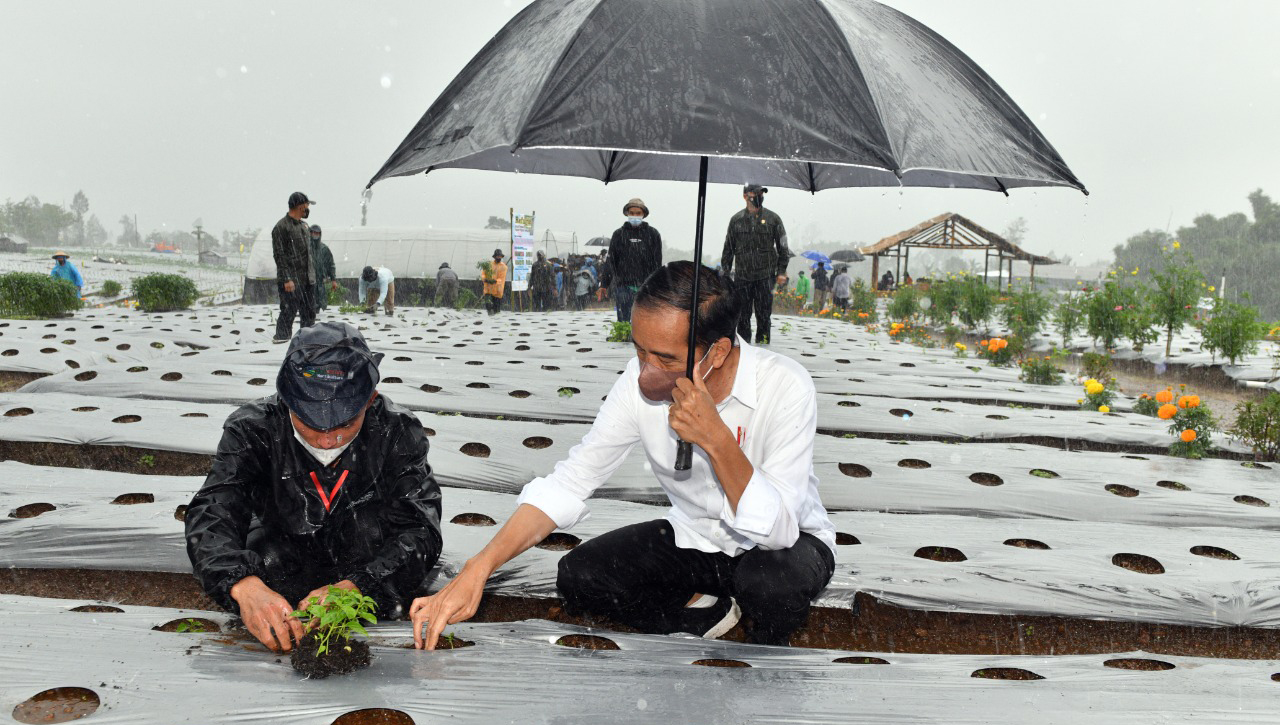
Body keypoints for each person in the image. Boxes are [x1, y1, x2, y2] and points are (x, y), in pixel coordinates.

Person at [409, 261, 836, 650]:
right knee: (582, 576)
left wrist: (717, 439)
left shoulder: (784, 386)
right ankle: (701, 618)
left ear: (718, 351)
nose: (647, 370)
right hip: (696, 536)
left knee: (769, 585)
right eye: (640, 350)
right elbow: (572, 480)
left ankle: (763, 656)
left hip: (787, 545)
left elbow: (779, 530)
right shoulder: (636, 384)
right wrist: (479, 567)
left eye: (665, 358)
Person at [185, 322, 442, 652]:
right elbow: (214, 510)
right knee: (267, 556)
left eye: (345, 423)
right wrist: (243, 584)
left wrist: (361, 585)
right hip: (286, 556)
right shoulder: (254, 430)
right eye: (309, 422)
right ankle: (275, 612)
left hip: (365, 560)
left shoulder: (396, 432)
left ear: (369, 400)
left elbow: (420, 529)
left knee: (373, 536)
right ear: (287, 402)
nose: (327, 440)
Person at [720, 184, 792, 344]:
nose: (759, 197)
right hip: (743, 277)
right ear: (745, 196)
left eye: (761, 194)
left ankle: (763, 347)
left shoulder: (773, 219)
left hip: (765, 277)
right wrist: (725, 275)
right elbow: (728, 249)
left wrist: (781, 271)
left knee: (764, 316)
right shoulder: (736, 220)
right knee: (742, 317)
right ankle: (744, 349)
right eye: (755, 194)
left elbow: (783, 248)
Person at [607, 198, 663, 323]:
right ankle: (624, 333)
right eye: (632, 213)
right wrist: (604, 284)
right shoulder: (619, 234)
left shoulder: (653, 234)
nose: (635, 216)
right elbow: (611, 260)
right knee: (624, 321)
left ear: (644, 214)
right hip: (623, 285)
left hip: (645, 286)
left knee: (643, 320)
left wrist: (656, 284)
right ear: (627, 213)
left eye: (638, 213)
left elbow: (657, 262)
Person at [272, 192, 316, 343]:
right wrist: (287, 279)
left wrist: (312, 276)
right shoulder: (281, 227)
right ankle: (281, 341)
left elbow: (308, 254)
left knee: (309, 314)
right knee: (288, 312)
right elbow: (279, 255)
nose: (308, 208)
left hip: (307, 279)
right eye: (307, 205)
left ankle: (307, 343)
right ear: (300, 206)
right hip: (291, 281)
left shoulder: (304, 226)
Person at [309, 224, 337, 313]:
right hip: (307, 280)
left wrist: (333, 279)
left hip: (319, 281)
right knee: (307, 303)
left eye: (317, 233)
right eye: (313, 232)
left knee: (317, 303)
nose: (315, 235)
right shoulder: (305, 247)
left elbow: (331, 264)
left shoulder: (324, 249)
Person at [482, 249, 507, 315]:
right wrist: (485, 279)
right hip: (488, 289)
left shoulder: (504, 267)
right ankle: (490, 317)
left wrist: (495, 281)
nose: (498, 257)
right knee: (488, 306)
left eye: (500, 256)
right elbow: (483, 273)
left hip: (498, 291)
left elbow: (502, 278)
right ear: (495, 256)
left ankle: (495, 318)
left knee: (496, 310)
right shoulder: (489, 265)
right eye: (497, 256)